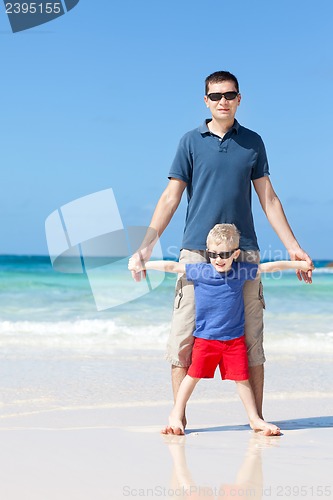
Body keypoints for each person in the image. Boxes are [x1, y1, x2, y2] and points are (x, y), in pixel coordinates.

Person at [129, 70, 313, 429]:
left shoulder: (253, 142)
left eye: (229, 95)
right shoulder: (189, 142)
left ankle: (255, 419)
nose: (222, 101)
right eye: (215, 96)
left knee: (250, 341)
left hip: (243, 252)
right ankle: (178, 416)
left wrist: (295, 249)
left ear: (239, 99)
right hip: (197, 253)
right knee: (184, 339)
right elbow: (171, 196)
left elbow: (268, 198)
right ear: (206, 101)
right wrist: (145, 247)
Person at [129, 224, 313, 435]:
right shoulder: (201, 270)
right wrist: (144, 264)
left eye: (224, 254)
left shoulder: (242, 270)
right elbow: (172, 267)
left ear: (235, 253)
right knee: (192, 377)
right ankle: (175, 414)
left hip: (234, 340)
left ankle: (254, 419)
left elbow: (270, 268)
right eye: (213, 254)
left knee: (241, 379)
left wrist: (298, 264)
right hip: (206, 340)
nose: (218, 259)